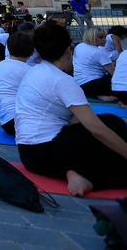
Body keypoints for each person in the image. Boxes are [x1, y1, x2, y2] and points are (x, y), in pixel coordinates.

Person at [16, 21, 127, 197]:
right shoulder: (62, 80)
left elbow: (78, 121)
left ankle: (71, 172)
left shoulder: (35, 71)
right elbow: (97, 130)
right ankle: (87, 177)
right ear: (69, 50)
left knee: (109, 121)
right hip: (47, 151)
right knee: (112, 131)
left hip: (28, 153)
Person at [0, 29, 34, 136]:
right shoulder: (28, 71)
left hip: (5, 120)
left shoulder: (1, 65)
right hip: (19, 122)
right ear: (32, 51)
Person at [73, 28, 116, 100]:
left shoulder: (79, 46)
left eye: (105, 37)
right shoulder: (99, 52)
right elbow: (114, 73)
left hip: (79, 84)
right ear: (92, 38)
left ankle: (97, 95)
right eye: (101, 37)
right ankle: (100, 94)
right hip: (95, 84)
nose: (105, 39)